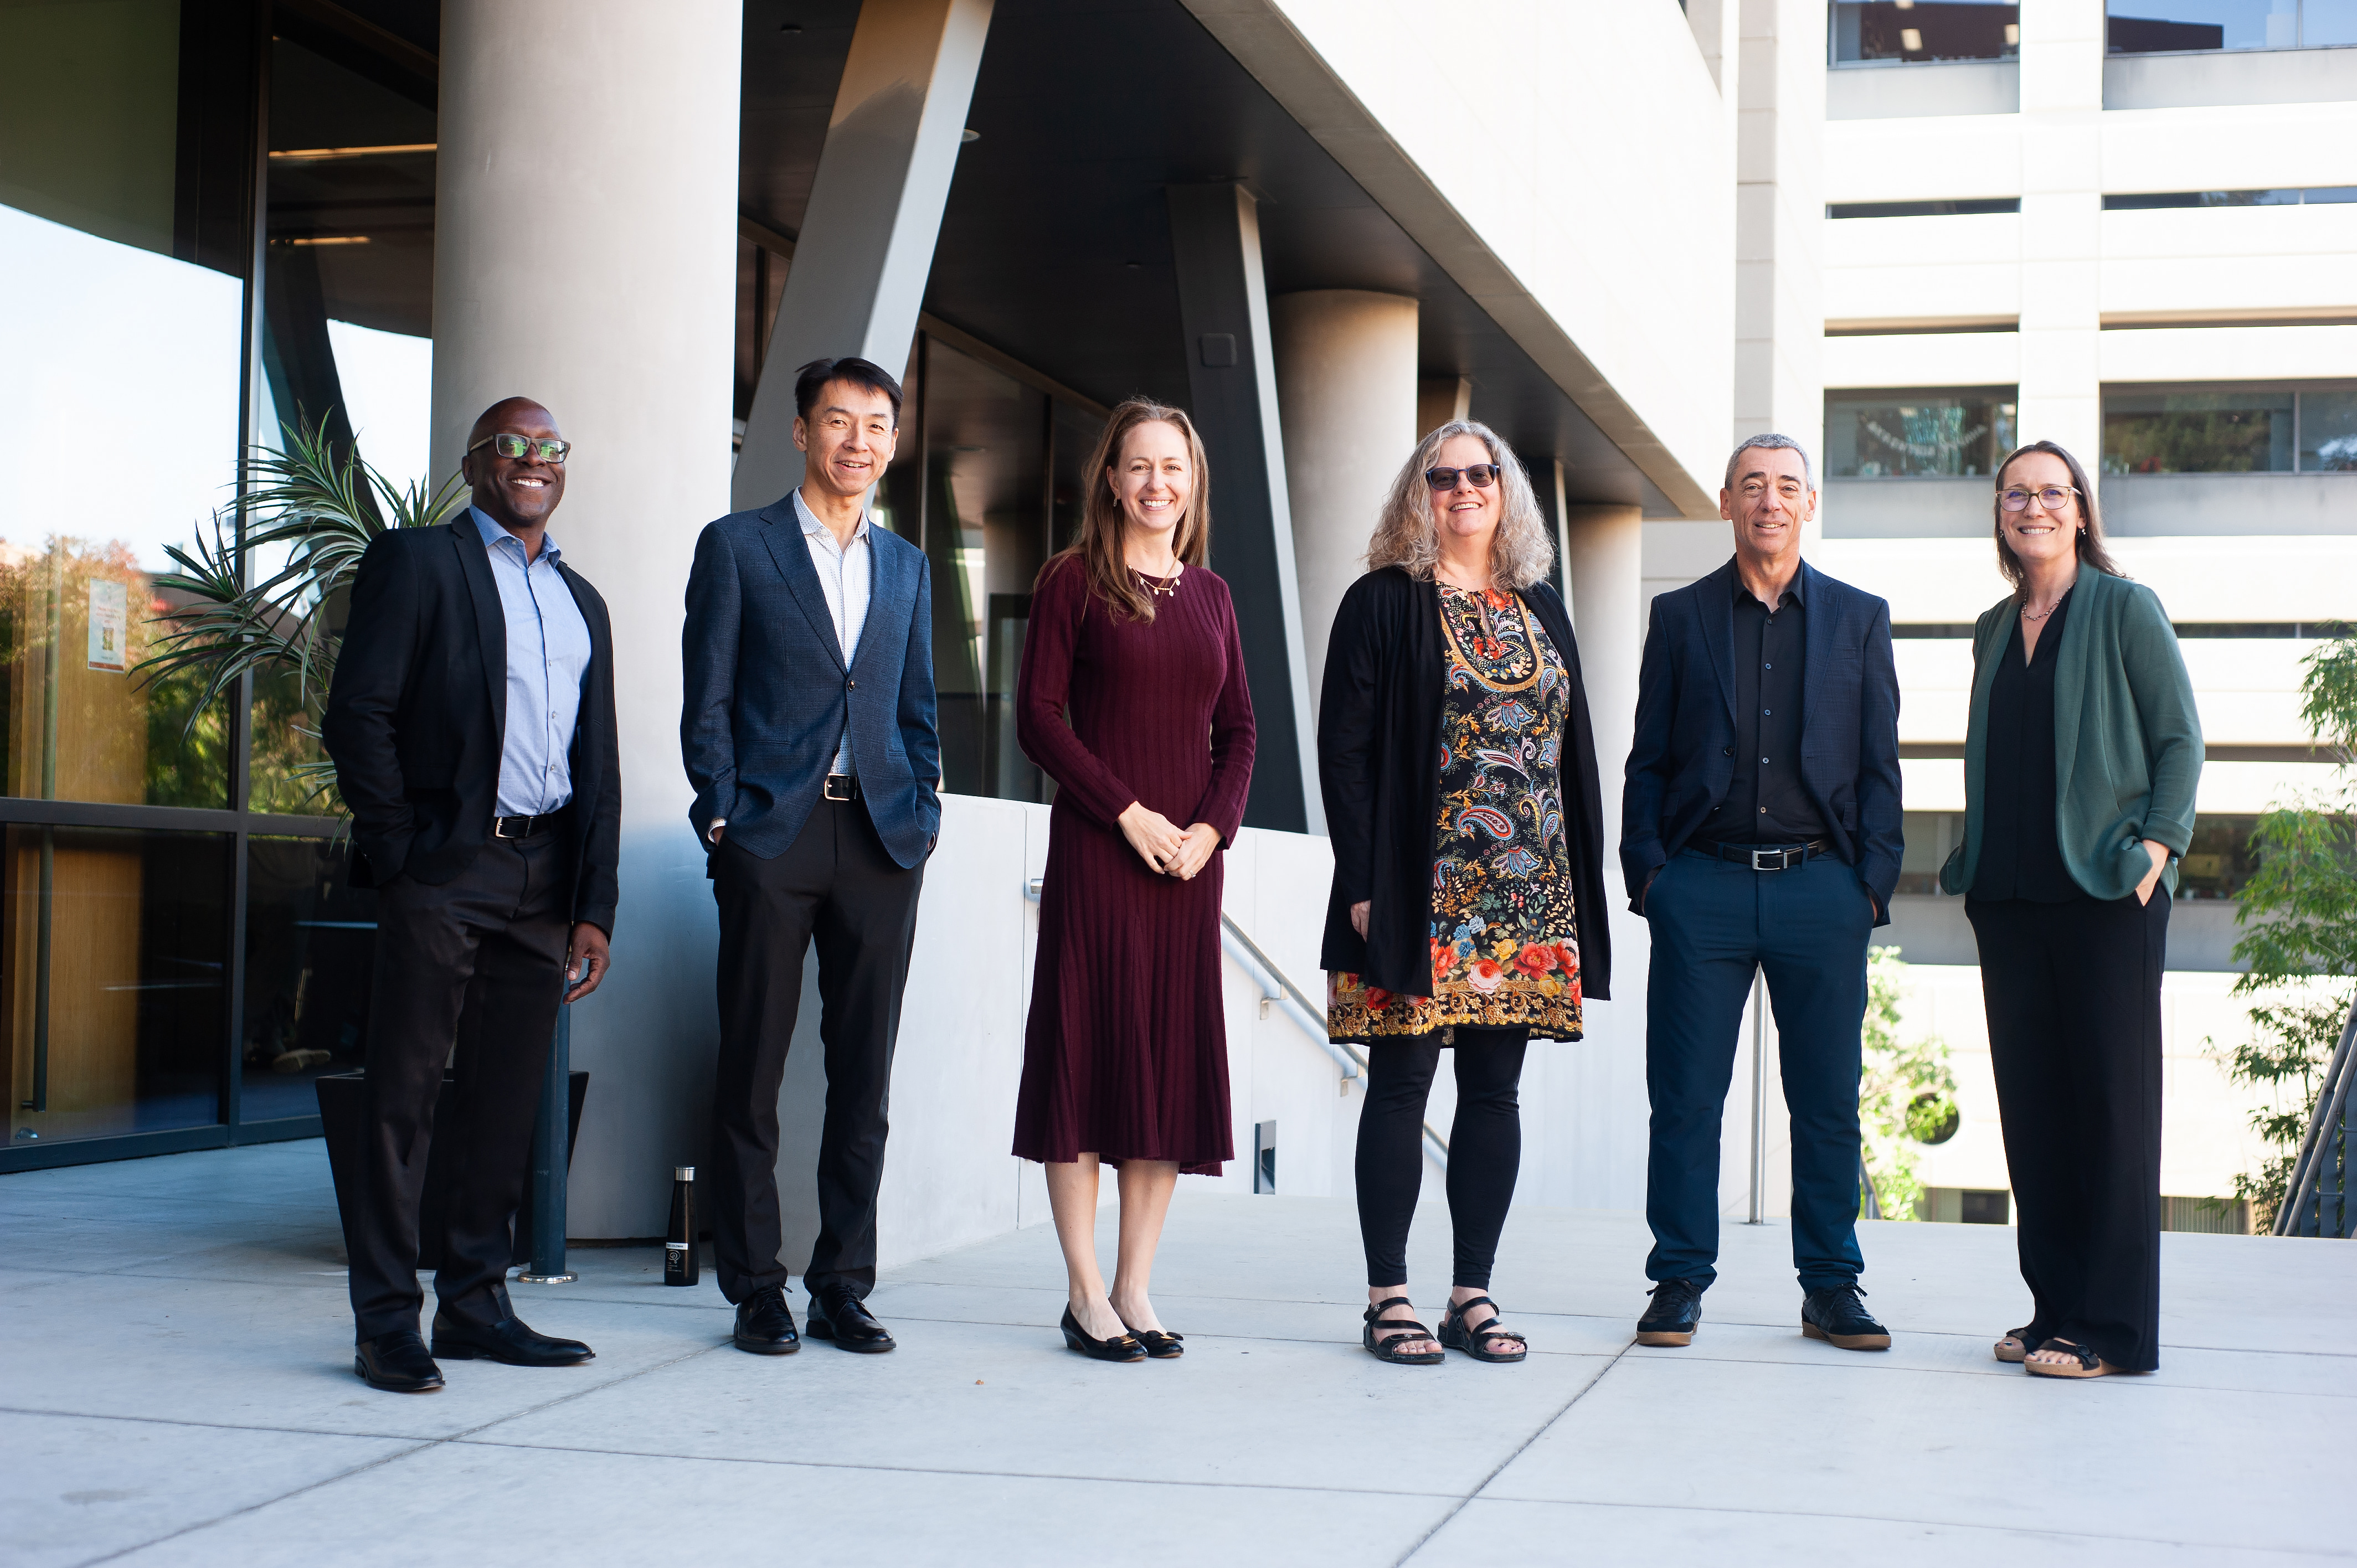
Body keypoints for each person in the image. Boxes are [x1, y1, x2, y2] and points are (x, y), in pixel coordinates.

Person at [322, 396, 619, 1394]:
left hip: (543, 880)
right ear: (474, 462)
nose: (532, 461)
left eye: (549, 448)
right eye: (511, 445)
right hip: (446, 870)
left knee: (503, 1103)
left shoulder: (584, 603)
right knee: (403, 1098)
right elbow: (357, 715)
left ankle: (476, 1304)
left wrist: (595, 904)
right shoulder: (419, 563)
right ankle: (383, 1322)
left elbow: (598, 764)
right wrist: (402, 853)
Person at [1319, 421, 1614, 1366]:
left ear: (1506, 489)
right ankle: (1388, 1298)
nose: (1462, 490)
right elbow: (1346, 753)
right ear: (1419, 495)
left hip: (1525, 902)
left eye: (1479, 474)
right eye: (1441, 478)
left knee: (1496, 1094)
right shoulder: (1381, 604)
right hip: (1420, 887)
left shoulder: (1542, 607)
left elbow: (1570, 753)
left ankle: (1471, 1294)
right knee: (1402, 1084)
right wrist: (1363, 882)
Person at [681, 357, 940, 1358]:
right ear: (800, 433)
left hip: (879, 839)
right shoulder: (738, 548)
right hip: (772, 837)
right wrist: (723, 818)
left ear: (892, 440)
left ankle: (843, 1283)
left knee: (862, 1078)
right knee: (751, 1068)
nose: (858, 441)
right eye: (838, 421)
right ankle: (754, 1285)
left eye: (876, 425)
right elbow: (706, 696)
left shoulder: (910, 567)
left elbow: (917, 711)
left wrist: (922, 816)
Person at [1622, 432, 1902, 1354]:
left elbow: (1880, 766)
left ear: (1809, 505)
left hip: (1822, 887)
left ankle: (1832, 1286)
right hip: (1699, 886)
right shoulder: (1680, 617)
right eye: (1753, 486)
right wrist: (1652, 875)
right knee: (1686, 1100)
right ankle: (1677, 1281)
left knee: (1826, 1102)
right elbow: (1649, 759)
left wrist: (1870, 884)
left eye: (1787, 487)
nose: (1770, 502)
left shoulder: (1861, 620)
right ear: (1728, 501)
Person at [1939, 440, 2199, 1380]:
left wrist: (2156, 852)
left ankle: (2113, 1330)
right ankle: (2055, 1309)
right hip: (2009, 901)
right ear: (2002, 514)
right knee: (2036, 1114)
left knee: (2111, 1111)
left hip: (2104, 900)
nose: (2034, 507)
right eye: (2018, 494)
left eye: (2053, 493)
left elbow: (2180, 738)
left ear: (2081, 511)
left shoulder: (2125, 608)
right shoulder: (1995, 626)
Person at [1012, 399, 1255, 1363]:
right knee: (1085, 1060)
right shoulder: (1073, 583)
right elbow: (1038, 718)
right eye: (1140, 466)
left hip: (1188, 870)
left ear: (1193, 485)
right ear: (1110, 478)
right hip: (1101, 854)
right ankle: (1082, 1293)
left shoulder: (1216, 597)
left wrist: (1212, 831)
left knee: (1161, 1072)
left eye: (1176, 469)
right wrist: (1128, 812)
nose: (1158, 484)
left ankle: (1134, 1289)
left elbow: (1239, 732)